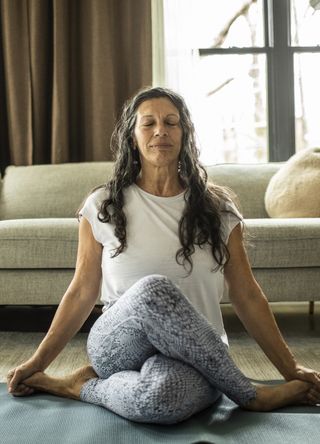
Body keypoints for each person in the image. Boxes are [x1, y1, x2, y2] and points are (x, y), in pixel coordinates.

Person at [7, 87, 320, 424]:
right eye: (149, 123)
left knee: (161, 399)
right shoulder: (103, 205)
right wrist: (37, 362)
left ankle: (80, 386)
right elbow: (82, 291)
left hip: (198, 353)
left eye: (172, 122)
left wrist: (291, 368)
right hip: (119, 344)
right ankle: (250, 394)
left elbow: (246, 294)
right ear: (132, 137)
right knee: (155, 289)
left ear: (184, 134)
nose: (161, 131)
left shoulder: (218, 210)